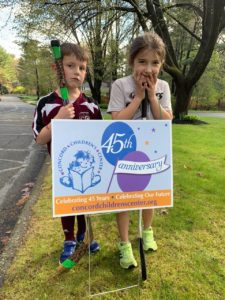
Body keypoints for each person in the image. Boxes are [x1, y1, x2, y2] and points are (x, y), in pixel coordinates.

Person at [107, 32, 173, 269]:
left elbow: (165, 121)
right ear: (132, 62)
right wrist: (137, 96)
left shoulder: (163, 86)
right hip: (126, 149)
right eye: (142, 62)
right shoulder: (120, 85)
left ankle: (147, 231)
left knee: (149, 194)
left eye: (155, 63)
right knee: (123, 198)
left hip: (152, 149)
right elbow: (117, 120)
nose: (148, 68)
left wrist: (153, 96)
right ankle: (124, 244)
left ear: (161, 64)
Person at [32, 42, 102, 265]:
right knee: (68, 202)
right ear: (58, 68)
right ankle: (69, 240)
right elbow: (39, 139)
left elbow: (99, 138)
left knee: (84, 201)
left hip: (87, 165)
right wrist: (58, 120)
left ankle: (84, 235)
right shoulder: (46, 103)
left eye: (82, 68)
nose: (77, 72)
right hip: (63, 167)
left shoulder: (91, 105)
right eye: (71, 66)